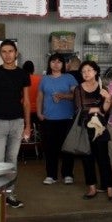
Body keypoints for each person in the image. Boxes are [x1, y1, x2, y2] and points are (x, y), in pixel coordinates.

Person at [0, 40, 31, 209]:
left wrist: (28, 125)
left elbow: (26, 102)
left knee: (11, 160)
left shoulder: (23, 74)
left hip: (17, 122)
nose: (8, 54)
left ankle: (9, 195)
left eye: (11, 51)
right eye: (4, 51)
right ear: (0, 54)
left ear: (16, 53)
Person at [74, 60, 112, 200]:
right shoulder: (78, 89)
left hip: (100, 128)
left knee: (104, 159)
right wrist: (97, 109)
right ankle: (91, 188)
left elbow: (105, 110)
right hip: (85, 128)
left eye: (89, 70)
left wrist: (108, 98)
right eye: (83, 71)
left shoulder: (103, 88)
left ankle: (110, 189)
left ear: (96, 72)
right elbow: (81, 109)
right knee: (87, 159)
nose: (86, 73)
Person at [36, 52, 78, 185]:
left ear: (63, 64)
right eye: (53, 61)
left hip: (67, 118)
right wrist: (39, 112)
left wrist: (63, 96)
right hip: (49, 119)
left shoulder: (69, 77)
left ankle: (67, 174)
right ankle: (51, 175)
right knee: (50, 148)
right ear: (49, 64)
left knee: (67, 148)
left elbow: (76, 95)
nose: (56, 64)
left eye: (59, 62)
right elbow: (40, 97)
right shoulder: (45, 79)